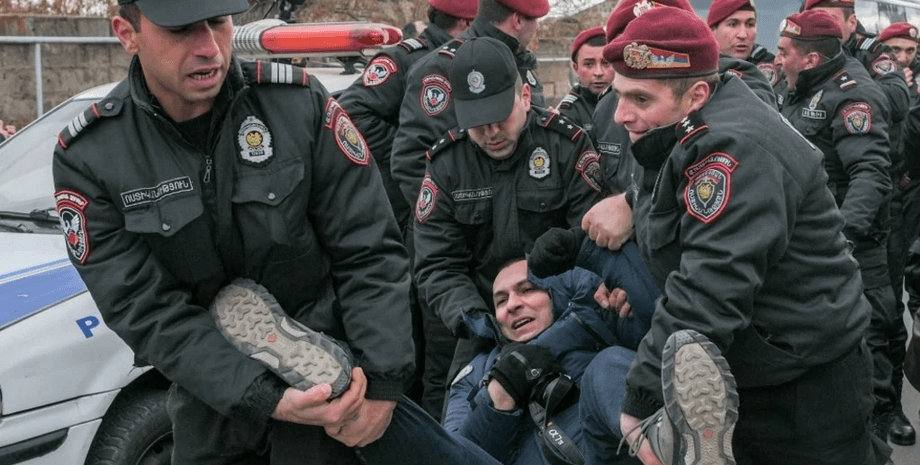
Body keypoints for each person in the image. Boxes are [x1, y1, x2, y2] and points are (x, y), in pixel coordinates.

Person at [50, 1, 505, 464]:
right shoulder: (91, 156)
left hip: (339, 393)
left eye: (218, 23)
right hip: (214, 403)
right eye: (182, 30)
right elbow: (145, 309)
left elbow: (368, 250)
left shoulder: (297, 104)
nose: (209, 47)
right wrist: (262, 396)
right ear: (127, 33)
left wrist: (384, 386)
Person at [597, 6, 888, 464]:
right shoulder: (679, 129)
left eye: (639, 99)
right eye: (619, 95)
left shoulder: (732, 149)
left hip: (803, 390)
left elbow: (711, 285)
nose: (621, 115)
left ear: (696, 94)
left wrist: (643, 397)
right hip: (761, 363)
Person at [412, 36, 603, 393]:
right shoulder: (447, 164)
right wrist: (474, 320)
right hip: (483, 322)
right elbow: (437, 263)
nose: (491, 132)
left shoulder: (566, 146)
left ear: (525, 98)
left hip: (564, 315)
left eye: (500, 116)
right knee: (459, 427)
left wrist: (551, 311)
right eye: (478, 122)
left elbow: (590, 244)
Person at [337, 0, 477, 421]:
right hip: (407, 220)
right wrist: (412, 141)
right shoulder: (407, 58)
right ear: (468, 22)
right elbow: (351, 113)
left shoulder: (470, 61)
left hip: (446, 220)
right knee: (424, 347)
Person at [776, 8, 900, 444]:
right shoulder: (793, 88)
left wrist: (840, 239)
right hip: (804, 245)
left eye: (784, 52)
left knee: (870, 341)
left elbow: (871, 174)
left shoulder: (852, 96)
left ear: (810, 59)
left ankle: (880, 430)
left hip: (851, 248)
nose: (777, 60)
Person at [445, 233, 659, 465]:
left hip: (614, 452)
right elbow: (452, 457)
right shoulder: (476, 373)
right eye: (500, 301)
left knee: (608, 363)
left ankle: (666, 443)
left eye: (527, 289)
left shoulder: (597, 317)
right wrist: (499, 395)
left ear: (554, 295)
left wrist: (630, 296)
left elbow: (661, 331)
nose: (513, 305)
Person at [585, 0, 776, 254]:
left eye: (659, 39)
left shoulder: (730, 85)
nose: (642, 54)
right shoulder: (608, 107)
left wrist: (632, 201)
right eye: (631, 42)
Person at [391, 0, 550, 216]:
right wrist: (452, 222)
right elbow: (414, 161)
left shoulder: (521, 64)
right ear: (518, 20)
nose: (538, 28)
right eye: (536, 20)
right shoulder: (445, 67)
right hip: (465, 232)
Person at [880, 21, 920, 446]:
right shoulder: (865, 81)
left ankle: (898, 401)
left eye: (909, 50)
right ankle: (883, 405)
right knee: (885, 312)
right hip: (882, 212)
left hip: (909, 206)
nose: (902, 59)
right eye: (895, 50)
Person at [556, 26, 613, 139]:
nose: (598, 72)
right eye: (589, 64)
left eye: (606, 63)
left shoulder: (630, 104)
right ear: (576, 69)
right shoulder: (568, 113)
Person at [707, 0, 779, 86]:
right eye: (733, 24)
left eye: (750, 24)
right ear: (712, 31)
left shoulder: (776, 69)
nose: (743, 35)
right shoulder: (697, 68)